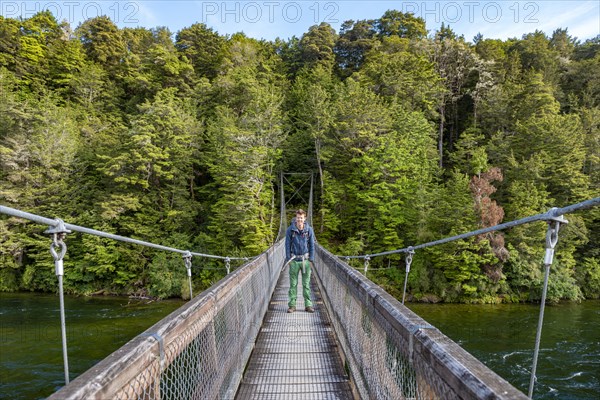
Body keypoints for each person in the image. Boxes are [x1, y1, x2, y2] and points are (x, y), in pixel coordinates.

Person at [285, 209, 315, 313]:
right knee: (293, 284)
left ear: (304, 218)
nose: (299, 220)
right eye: (298, 218)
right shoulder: (290, 230)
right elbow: (287, 245)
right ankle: (292, 305)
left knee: (306, 284)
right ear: (295, 218)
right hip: (294, 260)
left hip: (305, 261)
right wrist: (288, 259)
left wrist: (311, 259)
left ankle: (308, 305)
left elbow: (312, 245)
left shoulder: (309, 230)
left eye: (301, 218)